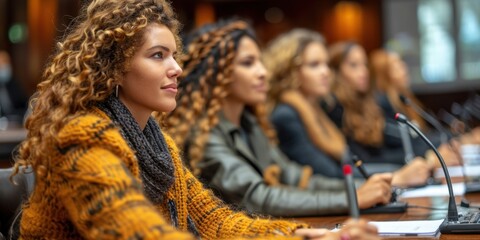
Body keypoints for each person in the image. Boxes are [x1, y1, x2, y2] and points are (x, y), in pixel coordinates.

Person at [11, 1, 378, 239]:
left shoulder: (157, 142)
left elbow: (212, 221)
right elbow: (128, 227)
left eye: (174, 55)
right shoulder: (82, 134)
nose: (177, 69)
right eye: (158, 56)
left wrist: (299, 235)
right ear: (115, 67)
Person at [167, 19, 392, 218]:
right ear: (217, 73)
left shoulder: (250, 124)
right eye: (248, 63)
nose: (263, 71)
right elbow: (257, 198)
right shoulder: (204, 134)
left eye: (259, 61)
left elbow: (297, 178)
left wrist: (365, 187)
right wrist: (353, 197)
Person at [265, 29, 431, 187]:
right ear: (290, 71)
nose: (325, 72)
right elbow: (329, 175)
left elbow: (349, 167)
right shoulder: (286, 115)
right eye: (314, 65)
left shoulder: (315, 109)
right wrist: (396, 177)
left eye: (326, 64)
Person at [325, 42, 437, 173]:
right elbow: (361, 161)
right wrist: (422, 158)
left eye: (364, 65)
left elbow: (383, 151)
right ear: (336, 71)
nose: (364, 72)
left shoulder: (367, 105)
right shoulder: (335, 108)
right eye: (354, 65)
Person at [369, 49, 462, 166]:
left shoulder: (404, 101)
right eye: (396, 66)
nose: (404, 68)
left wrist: (453, 136)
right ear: (383, 74)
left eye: (402, 63)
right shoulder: (383, 105)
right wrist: (431, 155)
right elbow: (411, 145)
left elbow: (422, 137)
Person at [0, 50, 28, 123]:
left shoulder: (14, 83)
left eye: (6, 62)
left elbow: (25, 104)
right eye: (1, 64)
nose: (4, 66)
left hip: (15, 122)